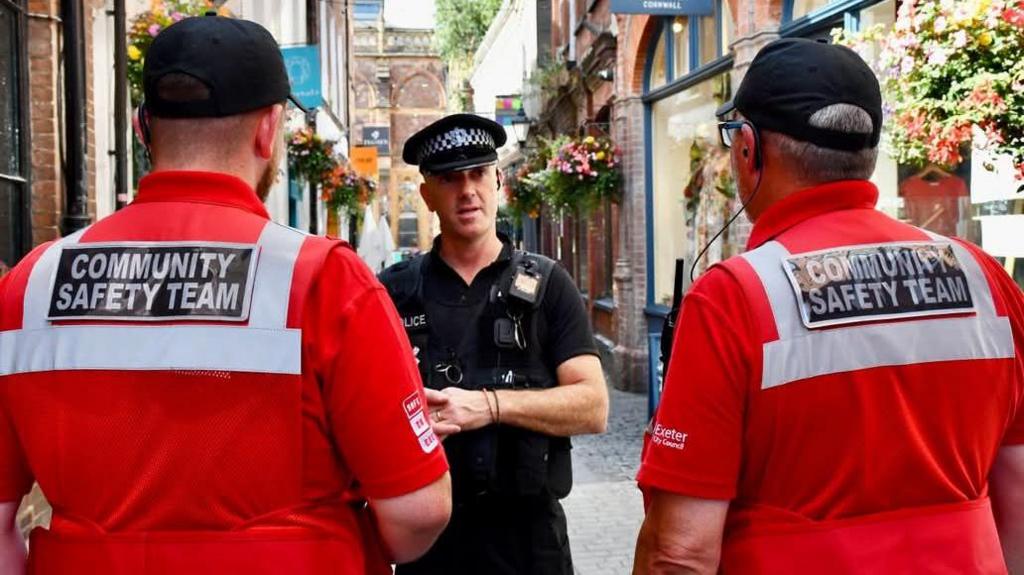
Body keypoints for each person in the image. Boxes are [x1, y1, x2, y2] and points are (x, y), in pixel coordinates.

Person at [0, 15, 452, 574]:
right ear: (269, 129)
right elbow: (419, 510)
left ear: (144, 130)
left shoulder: (29, 285)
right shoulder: (324, 281)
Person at [633, 37, 1024, 574]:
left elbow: (678, 553)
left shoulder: (734, 298)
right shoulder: (987, 280)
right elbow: (1018, 497)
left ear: (748, 149)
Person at [379, 114, 609, 574]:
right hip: (431, 548)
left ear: (499, 180)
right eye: (449, 178)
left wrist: (488, 407)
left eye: (479, 173)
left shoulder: (547, 285)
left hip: (530, 545)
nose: (467, 191)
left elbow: (593, 406)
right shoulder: (391, 293)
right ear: (427, 194)